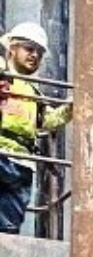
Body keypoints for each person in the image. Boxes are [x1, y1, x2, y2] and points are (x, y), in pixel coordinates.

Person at [0, 23, 70, 236]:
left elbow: (48, 121)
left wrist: (71, 108)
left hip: (21, 164)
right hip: (2, 157)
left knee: (9, 226)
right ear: (12, 48)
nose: (34, 55)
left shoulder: (34, 93)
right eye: (29, 49)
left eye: (39, 52)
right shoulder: (3, 76)